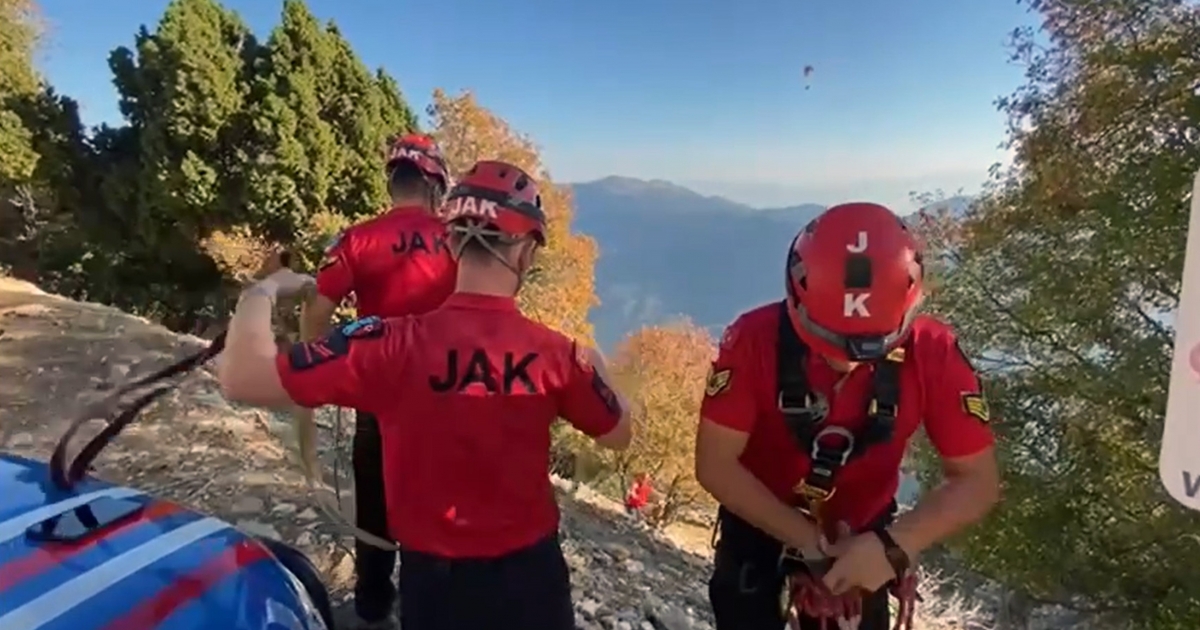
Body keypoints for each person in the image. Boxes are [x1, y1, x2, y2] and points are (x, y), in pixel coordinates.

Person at [218, 159, 634, 630]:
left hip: (433, 581)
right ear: (525, 254)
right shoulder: (560, 356)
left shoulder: (386, 345)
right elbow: (618, 433)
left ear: (452, 242)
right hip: (532, 577)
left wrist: (263, 291)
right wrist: (597, 368)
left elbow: (240, 377)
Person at [694, 202, 1001, 630]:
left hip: (867, 537)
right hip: (760, 513)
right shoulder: (753, 340)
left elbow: (977, 482)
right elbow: (716, 464)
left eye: (870, 346)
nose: (846, 363)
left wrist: (895, 546)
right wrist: (808, 541)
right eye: (828, 341)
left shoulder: (934, 352)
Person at [296, 132, 455, 629]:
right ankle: (427, 611)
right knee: (437, 510)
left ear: (393, 183)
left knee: (374, 507)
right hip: (446, 398)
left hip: (379, 397)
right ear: (434, 185)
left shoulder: (356, 240)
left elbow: (315, 313)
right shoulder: (460, 239)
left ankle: (371, 608)